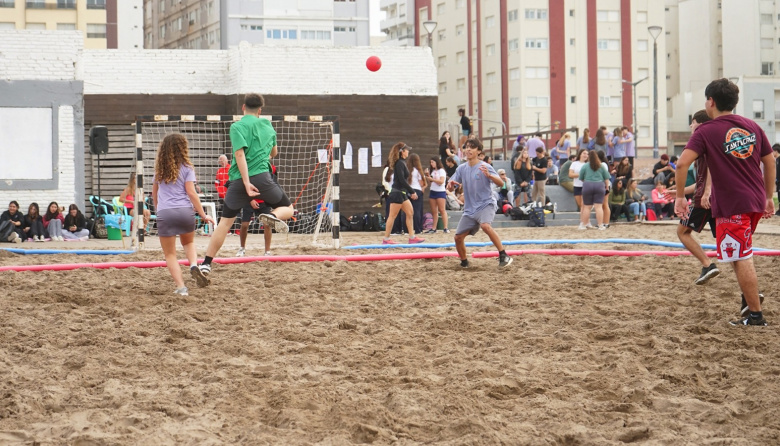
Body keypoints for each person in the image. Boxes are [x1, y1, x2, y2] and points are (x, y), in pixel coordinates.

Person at [674, 78, 776, 326]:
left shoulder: (706, 131)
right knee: (735, 253)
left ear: (710, 101)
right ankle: (749, 302)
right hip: (753, 201)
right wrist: (769, 196)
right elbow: (770, 160)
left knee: (741, 257)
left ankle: (755, 315)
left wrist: (679, 196)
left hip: (733, 204)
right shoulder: (752, 125)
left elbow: (681, 163)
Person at [196, 94, 295, 283]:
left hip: (238, 180)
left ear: (243, 107)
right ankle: (273, 217)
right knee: (288, 209)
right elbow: (274, 152)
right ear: (260, 110)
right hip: (262, 178)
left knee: (225, 224)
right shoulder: (267, 125)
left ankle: (206, 263)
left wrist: (245, 181)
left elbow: (239, 154)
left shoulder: (237, 126)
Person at [153, 133, 215, 296]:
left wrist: (158, 210)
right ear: (183, 148)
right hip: (185, 211)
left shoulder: (159, 170)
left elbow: (154, 193)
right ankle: (194, 264)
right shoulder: (187, 168)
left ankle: (181, 288)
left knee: (170, 254)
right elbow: (192, 193)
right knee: (188, 243)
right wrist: (203, 214)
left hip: (165, 212)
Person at [447, 138, 512, 268]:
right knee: (457, 238)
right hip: (470, 209)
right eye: (466, 147)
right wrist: (450, 186)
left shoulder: (485, 166)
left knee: (485, 226)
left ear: (479, 151)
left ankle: (504, 255)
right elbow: (451, 187)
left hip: (486, 204)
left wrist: (490, 176)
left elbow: (501, 183)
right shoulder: (461, 168)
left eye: (472, 147)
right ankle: (464, 262)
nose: (468, 150)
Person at [672, 109, 720, 286]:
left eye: (691, 123)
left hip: (705, 199)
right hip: (716, 197)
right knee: (726, 240)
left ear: (697, 123)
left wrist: (706, 191)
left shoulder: (702, 137)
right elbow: (702, 179)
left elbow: (710, 168)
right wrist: (680, 191)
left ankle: (708, 264)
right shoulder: (715, 137)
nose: (691, 127)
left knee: (682, 232)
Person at [381, 143, 424, 244]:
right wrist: (412, 191)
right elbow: (401, 180)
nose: (408, 151)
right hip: (397, 193)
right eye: (406, 150)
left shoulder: (402, 162)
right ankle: (386, 239)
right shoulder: (400, 163)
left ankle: (412, 237)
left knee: (410, 212)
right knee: (392, 216)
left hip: (402, 193)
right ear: (402, 152)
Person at [237, 163, 278, 257]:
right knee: (244, 225)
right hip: (249, 199)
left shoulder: (272, 168)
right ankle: (242, 248)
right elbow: (244, 184)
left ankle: (267, 251)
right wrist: (251, 199)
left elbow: (273, 185)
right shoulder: (249, 166)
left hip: (264, 200)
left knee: (267, 225)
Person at [577, 150, 610, 230]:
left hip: (587, 185)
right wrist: (607, 187)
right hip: (599, 185)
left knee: (587, 207)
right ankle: (600, 225)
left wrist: (587, 182)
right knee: (598, 207)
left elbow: (581, 178)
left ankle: (584, 225)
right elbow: (606, 178)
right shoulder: (601, 166)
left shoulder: (585, 166)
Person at [424, 157, 449, 234]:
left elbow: (441, 181)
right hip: (433, 191)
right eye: (431, 162)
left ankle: (445, 227)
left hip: (440, 191)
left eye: (433, 162)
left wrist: (432, 179)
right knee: (434, 211)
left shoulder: (441, 171)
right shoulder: (433, 171)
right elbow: (431, 183)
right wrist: (428, 176)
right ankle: (433, 228)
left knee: (442, 210)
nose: (432, 164)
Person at [407, 153, 427, 234]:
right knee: (417, 211)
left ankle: (406, 229)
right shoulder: (417, 171)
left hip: (408, 190)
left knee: (407, 211)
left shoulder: (406, 170)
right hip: (417, 190)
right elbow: (422, 183)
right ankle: (418, 229)